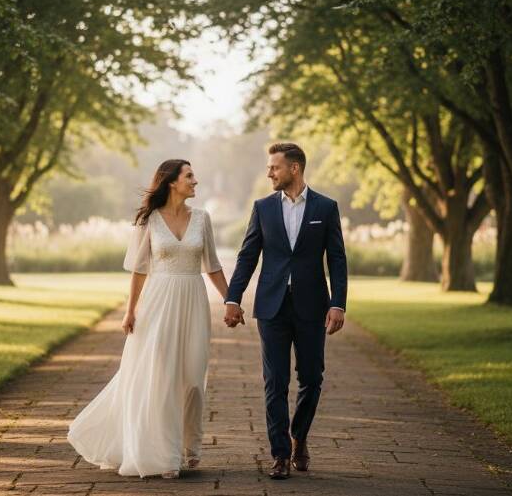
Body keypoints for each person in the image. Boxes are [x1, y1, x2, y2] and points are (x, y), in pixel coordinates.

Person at [67, 159, 228, 479]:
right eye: (189, 176)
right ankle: (166, 455)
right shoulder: (149, 220)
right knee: (163, 378)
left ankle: (189, 445)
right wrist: (130, 311)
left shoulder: (202, 218)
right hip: (158, 304)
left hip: (194, 301)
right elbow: (140, 269)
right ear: (171, 182)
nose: (195, 181)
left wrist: (231, 300)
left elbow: (212, 265)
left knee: (193, 379)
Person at [223, 142, 348, 480]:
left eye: (274, 167)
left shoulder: (326, 206)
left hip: (311, 307)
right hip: (271, 307)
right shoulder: (262, 208)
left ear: (294, 168)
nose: (269, 173)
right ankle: (279, 455)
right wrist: (233, 298)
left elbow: (336, 258)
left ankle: (299, 436)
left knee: (311, 378)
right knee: (274, 382)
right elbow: (248, 256)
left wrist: (338, 303)